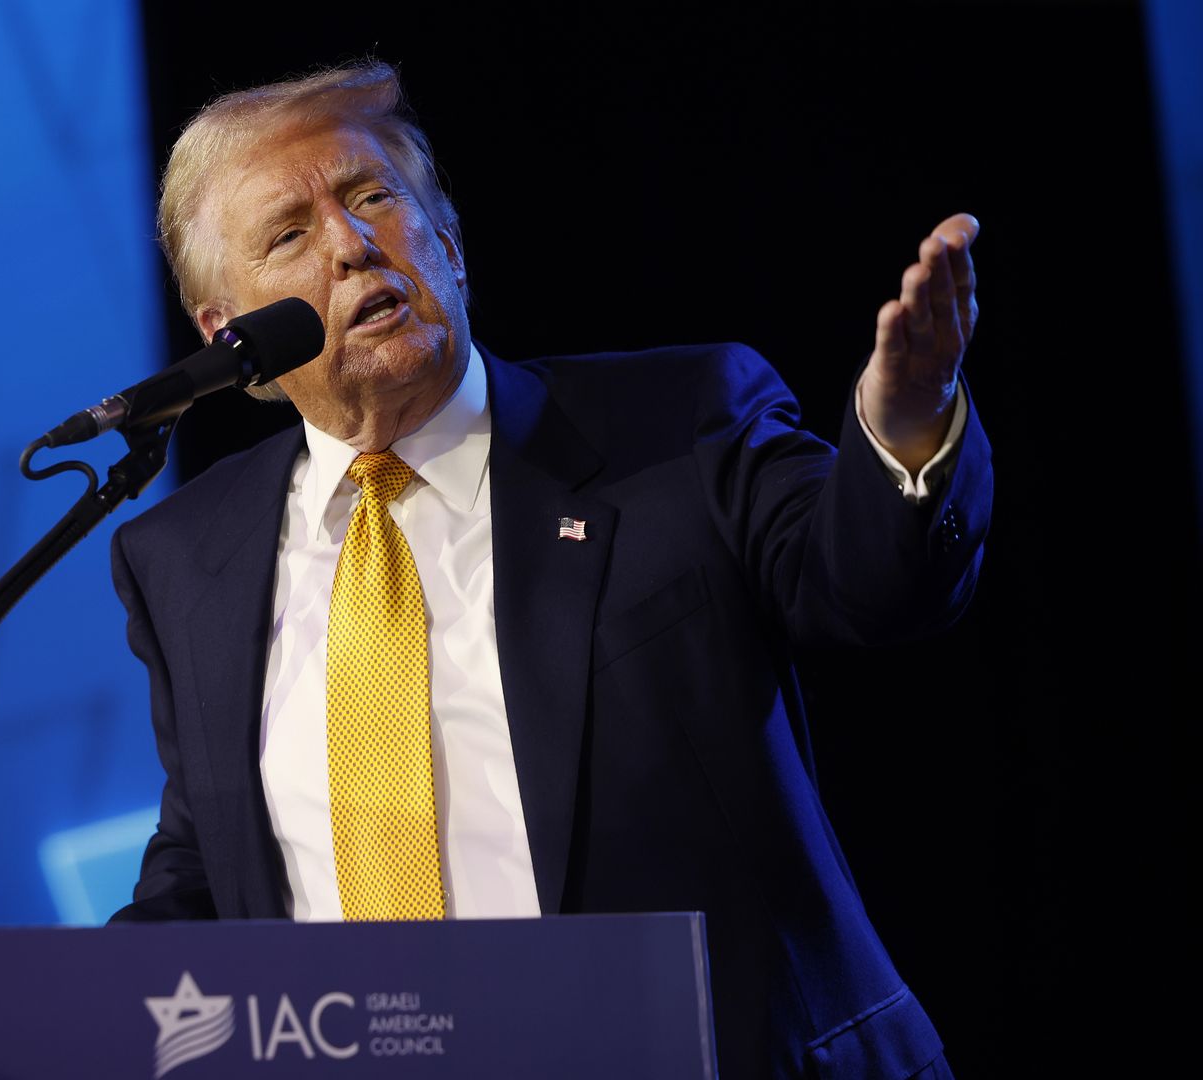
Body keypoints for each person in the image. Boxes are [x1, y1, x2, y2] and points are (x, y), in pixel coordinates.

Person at [109, 60, 987, 1080]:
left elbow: (867, 585)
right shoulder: (184, 556)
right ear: (228, 334)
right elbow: (209, 855)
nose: (350, 247)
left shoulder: (680, 423)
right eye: (289, 236)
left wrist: (907, 430)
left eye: (372, 197)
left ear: (447, 241)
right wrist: (68, 1013)